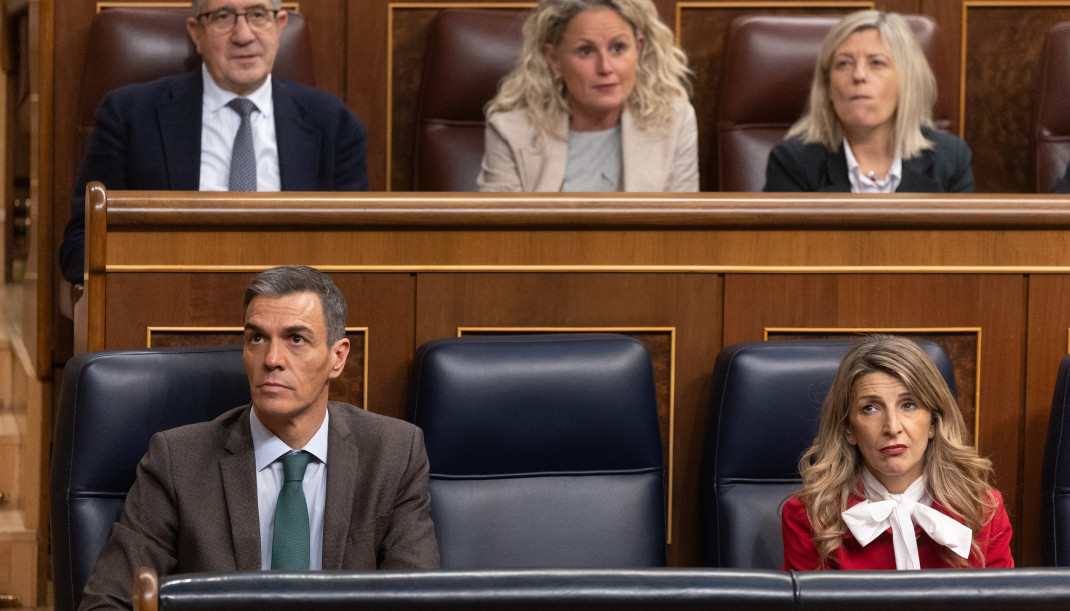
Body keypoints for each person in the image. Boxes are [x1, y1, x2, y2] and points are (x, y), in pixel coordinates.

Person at [79, 266, 439, 610]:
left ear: (337, 357)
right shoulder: (177, 461)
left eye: (295, 339)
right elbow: (109, 601)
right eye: (257, 338)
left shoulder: (393, 454)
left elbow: (419, 599)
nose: (272, 359)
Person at [59, 0, 369, 285]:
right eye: (223, 17)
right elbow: (81, 244)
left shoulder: (335, 125)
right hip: (172, 309)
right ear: (196, 32)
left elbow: (357, 249)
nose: (244, 35)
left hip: (293, 323)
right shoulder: (130, 116)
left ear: (280, 24)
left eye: (258, 15)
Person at [782, 335, 1013, 570]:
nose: (892, 427)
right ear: (848, 429)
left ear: (933, 423)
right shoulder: (809, 518)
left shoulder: (982, 510)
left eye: (908, 405)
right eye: (870, 408)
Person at [477, 0, 698, 192]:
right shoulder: (511, 130)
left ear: (638, 50)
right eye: (586, 51)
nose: (605, 67)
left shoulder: (674, 121)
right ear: (554, 60)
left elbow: (681, 232)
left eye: (618, 48)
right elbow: (500, 236)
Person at [764, 11, 974, 193]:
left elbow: (961, 240)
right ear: (828, 87)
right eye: (844, 63)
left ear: (906, 81)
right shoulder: (792, 162)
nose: (858, 75)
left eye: (876, 63)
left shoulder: (950, 160)